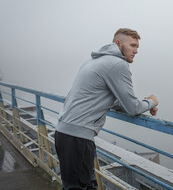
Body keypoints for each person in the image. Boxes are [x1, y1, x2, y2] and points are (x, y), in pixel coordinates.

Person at [55, 28, 159, 190]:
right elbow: (132, 108)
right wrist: (151, 101)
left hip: (64, 133)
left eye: (137, 47)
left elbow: (117, 102)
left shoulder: (93, 61)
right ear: (118, 43)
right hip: (78, 138)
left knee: (81, 186)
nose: (136, 51)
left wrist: (143, 105)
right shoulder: (118, 64)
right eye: (132, 45)